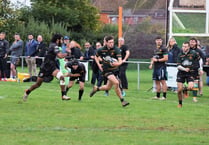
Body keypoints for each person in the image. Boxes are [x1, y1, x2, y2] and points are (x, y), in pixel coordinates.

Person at [22, 33, 70, 101]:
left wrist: (67, 55)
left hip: (52, 66)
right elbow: (60, 56)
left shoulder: (54, 45)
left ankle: (63, 95)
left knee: (62, 77)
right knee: (37, 84)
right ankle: (27, 92)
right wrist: (68, 53)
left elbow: (60, 55)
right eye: (61, 39)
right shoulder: (54, 46)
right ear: (57, 40)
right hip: (45, 67)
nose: (62, 41)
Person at [89, 36, 129, 107]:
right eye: (110, 42)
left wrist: (115, 64)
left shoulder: (116, 49)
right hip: (106, 70)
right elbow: (96, 56)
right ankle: (122, 101)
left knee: (108, 87)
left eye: (113, 42)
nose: (112, 44)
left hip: (115, 70)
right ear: (106, 43)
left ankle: (96, 88)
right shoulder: (101, 49)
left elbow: (120, 61)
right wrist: (99, 65)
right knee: (116, 83)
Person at [176, 42, 200, 108]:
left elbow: (199, 60)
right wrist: (184, 69)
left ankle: (185, 89)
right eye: (183, 46)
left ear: (189, 47)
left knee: (191, 87)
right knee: (179, 90)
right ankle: (180, 103)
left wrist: (200, 69)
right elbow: (178, 66)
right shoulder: (180, 54)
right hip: (181, 73)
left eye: (186, 46)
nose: (184, 48)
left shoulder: (194, 53)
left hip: (190, 73)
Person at [149, 36, 168, 100]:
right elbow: (153, 58)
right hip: (156, 67)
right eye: (157, 40)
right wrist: (151, 64)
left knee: (163, 81)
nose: (158, 41)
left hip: (161, 67)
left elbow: (166, 58)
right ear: (155, 41)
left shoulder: (164, 48)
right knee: (157, 81)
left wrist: (157, 60)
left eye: (160, 40)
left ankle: (164, 96)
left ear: (161, 41)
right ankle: (157, 96)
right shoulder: (155, 49)